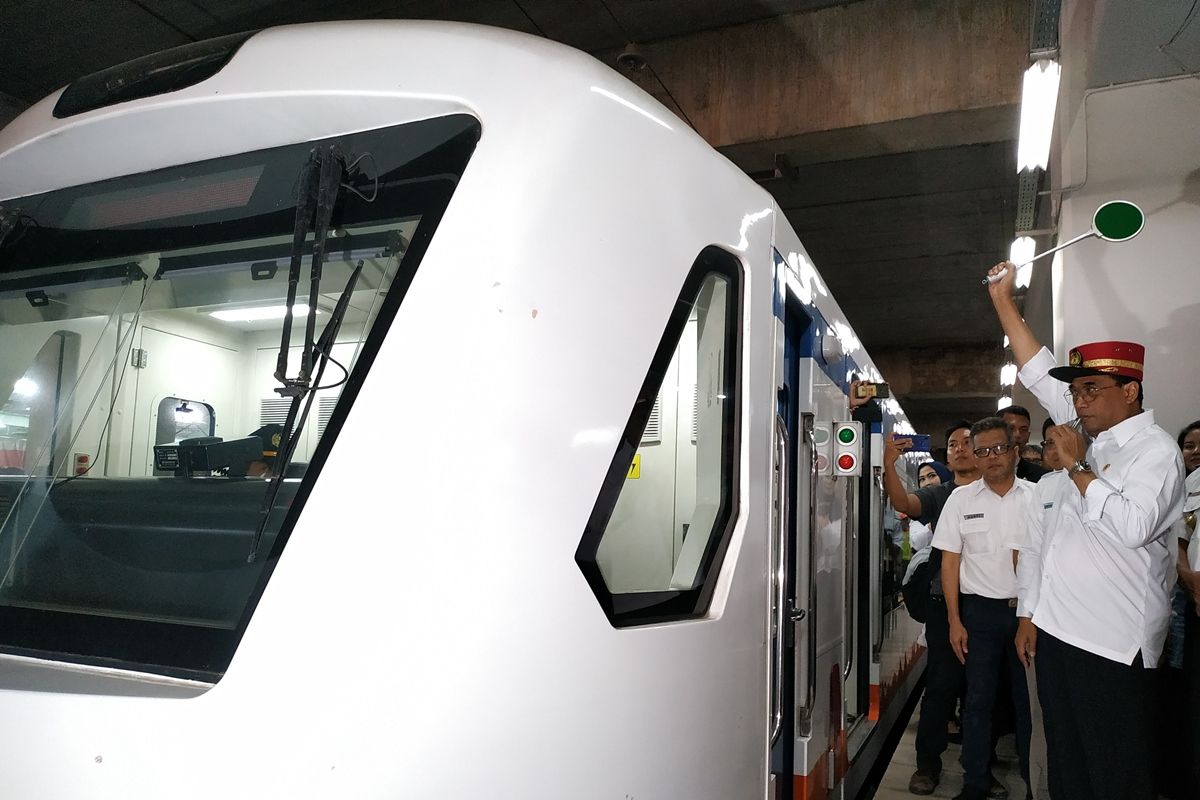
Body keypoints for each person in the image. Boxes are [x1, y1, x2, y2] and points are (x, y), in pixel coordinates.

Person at [987, 260, 1185, 800]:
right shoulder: (1090, 436)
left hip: (1112, 646)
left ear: (1132, 391)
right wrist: (1003, 301)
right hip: (1059, 636)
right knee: (1070, 768)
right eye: (1076, 393)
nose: (1080, 401)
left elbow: (1133, 527)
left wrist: (1077, 470)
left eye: (1093, 389)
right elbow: (1037, 368)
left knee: (1116, 774)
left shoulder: (1156, 453)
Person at [933, 417, 1033, 800]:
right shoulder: (961, 500)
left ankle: (1034, 783)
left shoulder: (1037, 497)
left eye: (999, 448)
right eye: (983, 451)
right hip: (979, 616)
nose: (991, 457)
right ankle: (974, 782)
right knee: (977, 701)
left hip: (1028, 614)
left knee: (1028, 704)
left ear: (1015, 450)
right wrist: (955, 621)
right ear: (975, 456)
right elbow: (950, 563)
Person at [886, 422, 982, 795]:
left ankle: (979, 767)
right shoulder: (941, 495)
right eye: (952, 443)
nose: (959, 448)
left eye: (967, 443)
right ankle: (927, 765)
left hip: (987, 605)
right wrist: (889, 465)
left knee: (983, 690)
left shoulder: (1000, 492)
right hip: (945, 604)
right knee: (941, 687)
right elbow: (904, 504)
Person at [997, 404, 1049, 482]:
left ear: (1028, 436)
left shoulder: (1042, 477)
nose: (1017, 434)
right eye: (1010, 428)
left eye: (1023, 429)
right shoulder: (980, 471)